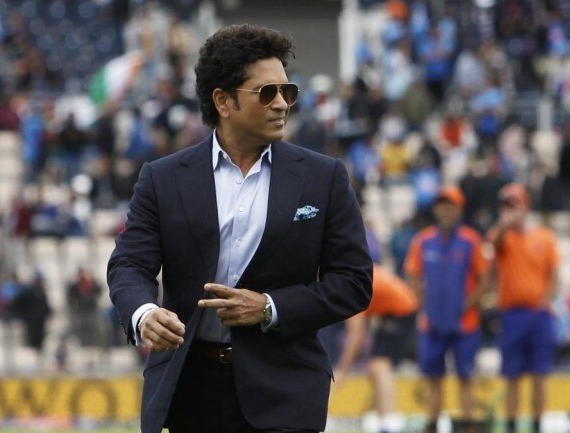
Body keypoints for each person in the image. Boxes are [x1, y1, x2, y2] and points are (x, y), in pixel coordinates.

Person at [107, 24, 373, 433]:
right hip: (191, 392)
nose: (282, 104)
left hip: (286, 391)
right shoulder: (163, 178)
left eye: (288, 91)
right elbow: (128, 264)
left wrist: (269, 307)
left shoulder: (325, 178)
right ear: (223, 101)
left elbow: (354, 282)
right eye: (267, 93)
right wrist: (145, 314)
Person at [404, 186, 491, 433]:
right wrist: (422, 303)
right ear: (435, 210)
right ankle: (432, 424)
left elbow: (485, 277)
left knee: (466, 376)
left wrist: (468, 303)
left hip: (465, 323)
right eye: (442, 205)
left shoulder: (471, 240)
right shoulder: (423, 240)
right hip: (432, 323)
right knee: (433, 377)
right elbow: (412, 273)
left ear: (459, 210)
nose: (446, 211)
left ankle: (468, 424)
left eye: (451, 206)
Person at [486, 183, 560, 433]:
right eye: (506, 206)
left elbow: (554, 275)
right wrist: (505, 224)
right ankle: (511, 425)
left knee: (540, 375)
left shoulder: (544, 237)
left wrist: (543, 302)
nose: (511, 211)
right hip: (511, 314)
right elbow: (494, 245)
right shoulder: (501, 235)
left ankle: (537, 425)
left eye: (515, 205)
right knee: (512, 376)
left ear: (526, 207)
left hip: (538, 314)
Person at [333, 264, 418, 433]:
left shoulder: (352, 287)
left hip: (402, 311)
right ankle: (382, 416)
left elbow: (356, 334)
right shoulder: (355, 274)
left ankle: (390, 421)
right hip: (392, 311)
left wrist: (342, 369)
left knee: (380, 365)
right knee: (374, 367)